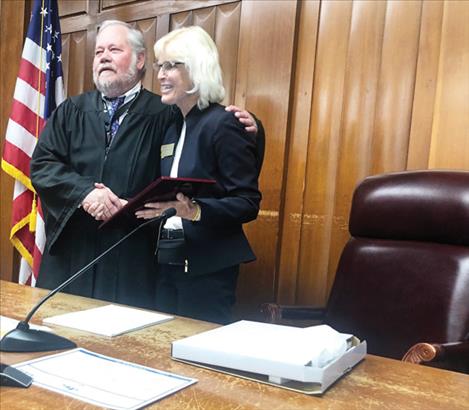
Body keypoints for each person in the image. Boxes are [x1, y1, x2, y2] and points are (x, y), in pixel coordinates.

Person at [30, 20, 261, 310]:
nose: (103, 56)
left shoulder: (168, 113)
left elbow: (213, 133)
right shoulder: (71, 112)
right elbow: (42, 165)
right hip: (75, 253)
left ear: (140, 60)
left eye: (114, 49)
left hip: (134, 261)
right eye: (98, 51)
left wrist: (253, 125)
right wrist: (85, 193)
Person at [135, 26, 262, 324]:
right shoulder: (172, 127)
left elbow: (247, 202)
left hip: (208, 269)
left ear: (197, 68)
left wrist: (194, 211)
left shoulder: (225, 124)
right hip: (168, 260)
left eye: (171, 66)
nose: (161, 75)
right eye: (159, 66)